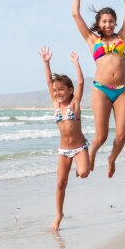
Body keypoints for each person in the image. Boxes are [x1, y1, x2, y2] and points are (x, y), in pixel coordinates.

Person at [72, 0, 125, 178]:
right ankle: (92, 153)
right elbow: (75, 14)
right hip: (101, 89)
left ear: (115, 23)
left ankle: (112, 159)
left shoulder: (122, 37)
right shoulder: (92, 40)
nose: (108, 24)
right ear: (99, 23)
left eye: (111, 21)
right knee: (102, 135)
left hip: (123, 89)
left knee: (122, 135)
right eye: (104, 21)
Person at [39, 46, 90, 231]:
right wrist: (46, 62)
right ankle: (59, 214)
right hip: (63, 151)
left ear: (70, 90)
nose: (57, 92)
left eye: (61, 89)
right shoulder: (55, 104)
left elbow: (82, 82)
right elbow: (48, 81)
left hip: (79, 147)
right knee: (60, 184)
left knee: (84, 173)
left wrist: (76, 64)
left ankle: (82, 165)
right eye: (55, 90)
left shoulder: (74, 103)